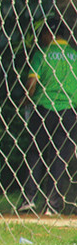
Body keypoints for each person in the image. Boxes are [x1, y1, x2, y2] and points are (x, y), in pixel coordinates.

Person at [20, 15, 77, 215]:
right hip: (69, 112)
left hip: (44, 109)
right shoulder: (74, 56)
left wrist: (23, 101)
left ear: (48, 34)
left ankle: (28, 199)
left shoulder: (41, 54)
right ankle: (52, 205)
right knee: (60, 157)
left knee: (36, 153)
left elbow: (31, 86)